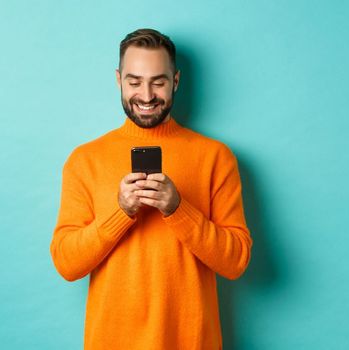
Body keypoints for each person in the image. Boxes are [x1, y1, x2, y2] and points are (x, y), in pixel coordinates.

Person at [49, 28, 253, 349]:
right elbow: (66, 263)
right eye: (134, 82)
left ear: (176, 81)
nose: (146, 96)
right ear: (118, 80)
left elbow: (236, 261)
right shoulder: (84, 160)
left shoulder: (216, 157)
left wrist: (178, 210)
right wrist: (120, 212)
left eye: (158, 82)